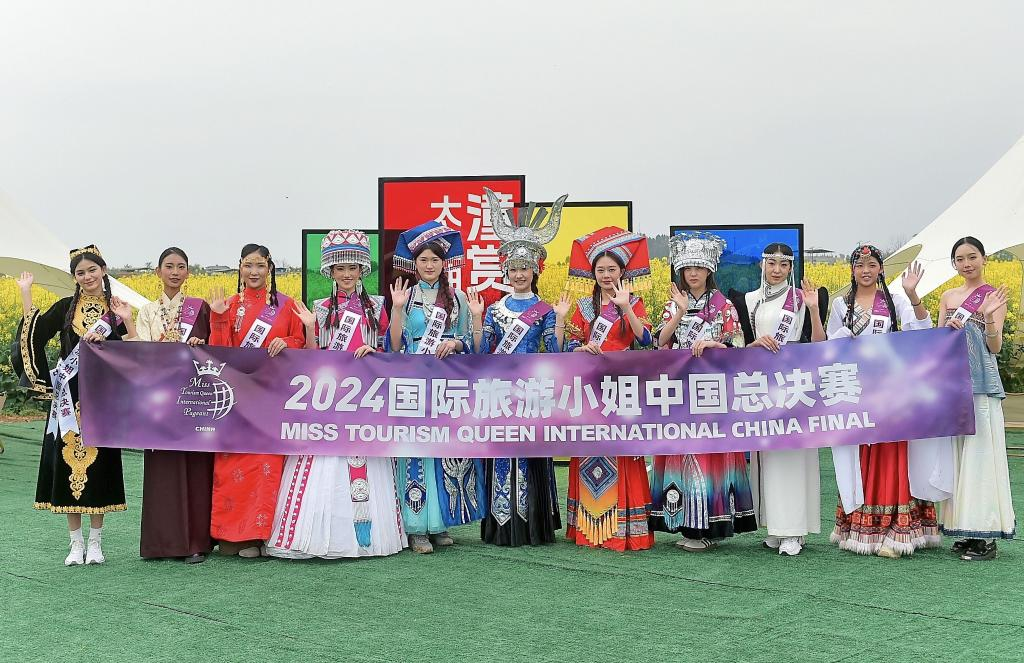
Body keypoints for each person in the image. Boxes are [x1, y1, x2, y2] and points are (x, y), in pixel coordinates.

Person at [264, 230, 407, 559]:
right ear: (330, 272)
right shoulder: (319, 307)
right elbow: (314, 358)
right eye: (340, 268)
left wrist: (380, 342)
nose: (346, 274)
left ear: (362, 271)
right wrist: (312, 329)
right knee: (325, 463)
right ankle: (320, 535)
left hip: (366, 396)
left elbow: (394, 347)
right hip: (329, 398)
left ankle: (365, 536)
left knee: (364, 458)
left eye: (352, 267)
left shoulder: (377, 306)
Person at [827, 244, 951, 558]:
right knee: (863, 456)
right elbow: (830, 348)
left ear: (881, 268)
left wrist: (913, 296)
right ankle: (863, 528)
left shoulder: (894, 301)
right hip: (858, 390)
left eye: (872, 265)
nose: (866, 271)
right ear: (852, 270)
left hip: (893, 391)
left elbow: (921, 330)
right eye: (859, 265)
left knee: (893, 455)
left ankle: (897, 530)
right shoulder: (843, 305)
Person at [14, 245, 134, 565]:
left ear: (103, 270)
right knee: (67, 463)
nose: (87, 276)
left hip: (102, 397)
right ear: (74, 278)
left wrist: (127, 321)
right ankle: (74, 544)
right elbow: (35, 335)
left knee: (99, 466)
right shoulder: (66, 307)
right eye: (80, 273)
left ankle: (96, 543)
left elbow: (132, 354)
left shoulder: (116, 307)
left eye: (92, 270)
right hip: (68, 396)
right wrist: (26, 294)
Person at [467, 189, 570, 546]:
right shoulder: (495, 309)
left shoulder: (543, 310)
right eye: (514, 268)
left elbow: (556, 354)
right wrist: (478, 320)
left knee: (530, 456)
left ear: (535, 270)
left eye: (525, 267)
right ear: (505, 270)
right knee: (500, 456)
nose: (520, 273)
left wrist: (557, 322)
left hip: (532, 393)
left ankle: (533, 525)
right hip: (500, 392)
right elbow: (480, 353)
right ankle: (500, 525)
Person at [651, 232, 757, 552]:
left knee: (710, 458)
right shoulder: (674, 303)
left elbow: (737, 345)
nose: (693, 274)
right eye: (687, 269)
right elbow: (660, 342)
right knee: (682, 455)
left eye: (698, 268)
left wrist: (714, 344)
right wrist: (680, 312)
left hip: (712, 393)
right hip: (682, 391)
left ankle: (709, 525)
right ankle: (684, 521)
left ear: (709, 270)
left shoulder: (724, 305)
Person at [387, 220, 483, 554]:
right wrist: (397, 310)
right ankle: (416, 526)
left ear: (444, 264)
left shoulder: (455, 298)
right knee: (417, 452)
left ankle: (440, 521)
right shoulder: (406, 296)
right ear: (414, 264)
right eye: (423, 260)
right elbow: (394, 345)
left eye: (435, 260)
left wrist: (456, 343)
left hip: (446, 382)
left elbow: (470, 342)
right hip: (413, 381)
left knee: (444, 450)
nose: (429, 266)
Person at [728, 242, 827, 556]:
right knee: (766, 458)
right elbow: (738, 347)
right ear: (762, 265)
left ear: (790, 268)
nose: (777, 270)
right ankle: (774, 526)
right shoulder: (747, 300)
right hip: (762, 389)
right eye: (772, 263)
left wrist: (812, 308)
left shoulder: (801, 299)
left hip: (794, 387)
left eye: (784, 265)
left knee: (793, 458)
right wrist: (754, 344)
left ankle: (793, 531)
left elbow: (818, 345)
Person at [207, 243, 305, 557]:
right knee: (235, 464)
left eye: (260, 265)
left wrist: (286, 340)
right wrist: (219, 319)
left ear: (270, 268)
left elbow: (301, 343)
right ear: (240, 267)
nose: (254, 272)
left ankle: (265, 535)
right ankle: (236, 535)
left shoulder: (287, 305)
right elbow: (219, 352)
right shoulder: (228, 304)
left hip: (274, 397)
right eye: (248, 265)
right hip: (237, 399)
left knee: (269, 465)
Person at [563, 226, 655, 551]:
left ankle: (624, 529)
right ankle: (589, 528)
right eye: (600, 270)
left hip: (622, 388)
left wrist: (626, 306)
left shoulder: (634, 301)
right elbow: (569, 345)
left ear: (622, 271)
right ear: (593, 273)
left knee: (623, 453)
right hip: (590, 390)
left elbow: (646, 340)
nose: (605, 274)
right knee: (590, 449)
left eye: (611, 269)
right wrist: (580, 349)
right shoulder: (584, 307)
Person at [130, 247, 215, 563]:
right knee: (163, 469)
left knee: (194, 468)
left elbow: (212, 352)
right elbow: (140, 355)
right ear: (158, 272)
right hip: (162, 400)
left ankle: (195, 542)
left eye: (181, 267)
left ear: (188, 273)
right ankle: (162, 543)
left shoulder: (200, 308)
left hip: (195, 399)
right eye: (169, 266)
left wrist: (199, 344)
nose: (175, 272)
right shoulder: (148, 311)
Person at [937, 236, 1014, 560]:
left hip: (981, 383)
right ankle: (964, 529)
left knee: (982, 456)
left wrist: (992, 323)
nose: (966, 263)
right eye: (960, 258)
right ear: (954, 263)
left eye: (972, 257)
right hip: (953, 385)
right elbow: (936, 345)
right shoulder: (947, 296)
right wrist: (948, 330)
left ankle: (986, 535)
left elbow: (994, 348)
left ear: (984, 258)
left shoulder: (993, 296)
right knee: (959, 457)